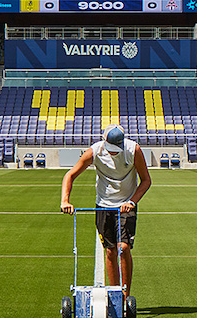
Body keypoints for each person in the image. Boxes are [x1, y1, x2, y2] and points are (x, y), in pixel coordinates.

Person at [60, 125, 152, 294]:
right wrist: (65, 200)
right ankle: (114, 293)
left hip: (126, 205)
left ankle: (125, 296)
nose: (113, 152)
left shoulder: (133, 150)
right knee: (110, 251)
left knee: (123, 248)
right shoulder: (95, 151)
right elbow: (70, 175)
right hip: (103, 204)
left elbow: (146, 180)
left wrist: (132, 202)